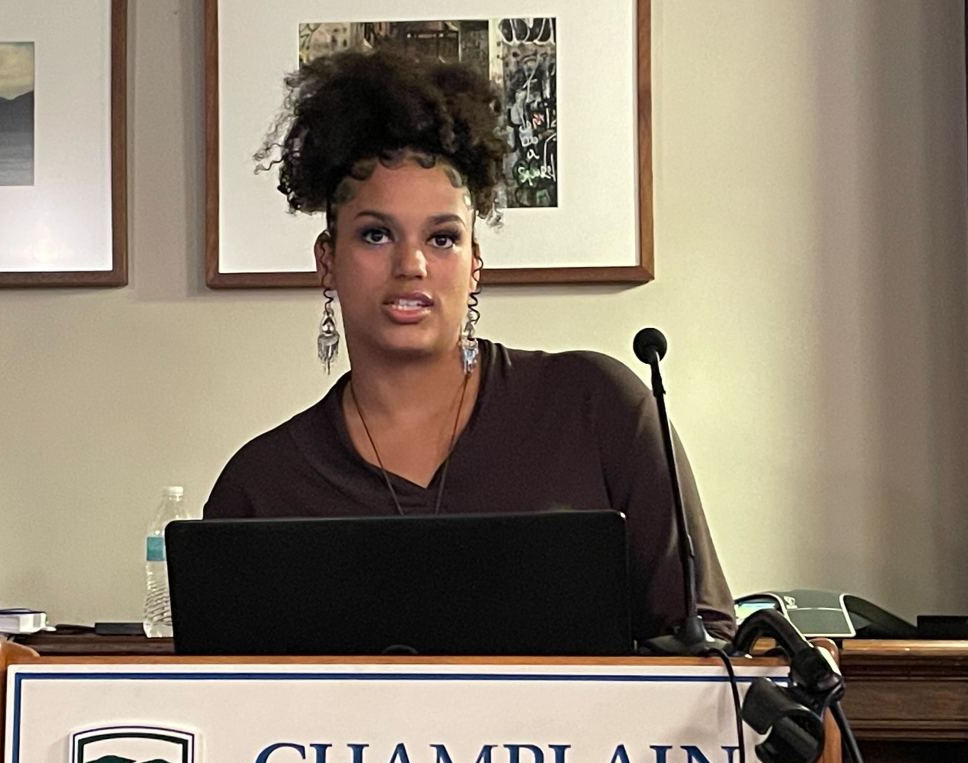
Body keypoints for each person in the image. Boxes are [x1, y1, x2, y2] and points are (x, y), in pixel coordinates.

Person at [204, 50, 734, 642]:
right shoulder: (260, 488)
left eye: (442, 238)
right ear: (327, 261)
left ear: (475, 265)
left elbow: (704, 645)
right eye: (376, 235)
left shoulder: (597, 409)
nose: (411, 265)